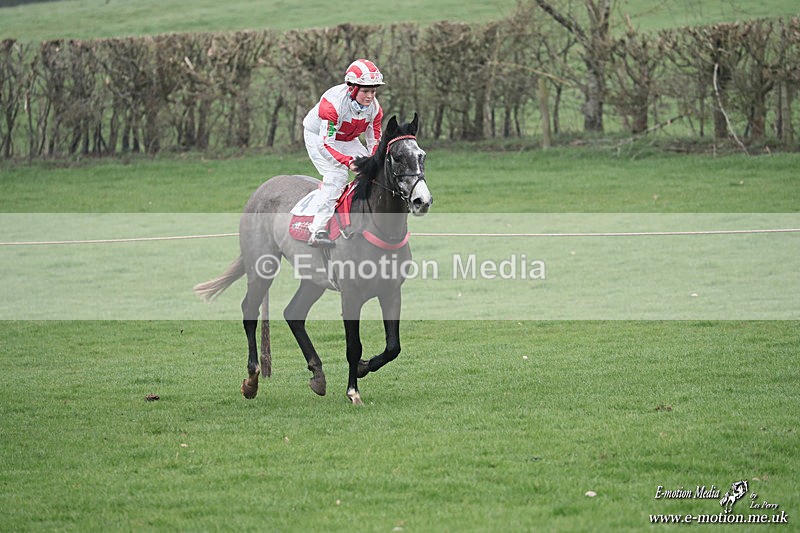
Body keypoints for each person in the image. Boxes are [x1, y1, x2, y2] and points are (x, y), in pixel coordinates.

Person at [302, 59, 385, 247]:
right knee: (337, 175)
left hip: (347, 140)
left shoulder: (375, 109)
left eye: (373, 91)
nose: (370, 96)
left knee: (374, 172)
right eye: (365, 91)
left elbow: (374, 141)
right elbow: (325, 144)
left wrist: (372, 162)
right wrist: (348, 162)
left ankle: (362, 218)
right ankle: (317, 230)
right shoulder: (333, 104)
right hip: (318, 138)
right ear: (352, 88)